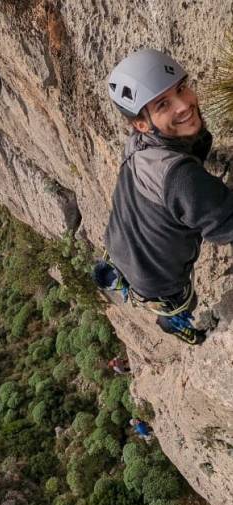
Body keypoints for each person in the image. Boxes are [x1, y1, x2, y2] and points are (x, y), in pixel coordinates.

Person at [94, 48, 233, 345]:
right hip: (157, 279)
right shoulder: (179, 178)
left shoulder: (138, 146)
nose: (184, 105)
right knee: (182, 302)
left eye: (181, 88)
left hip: (119, 246)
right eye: (163, 104)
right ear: (141, 124)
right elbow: (228, 224)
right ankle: (174, 323)